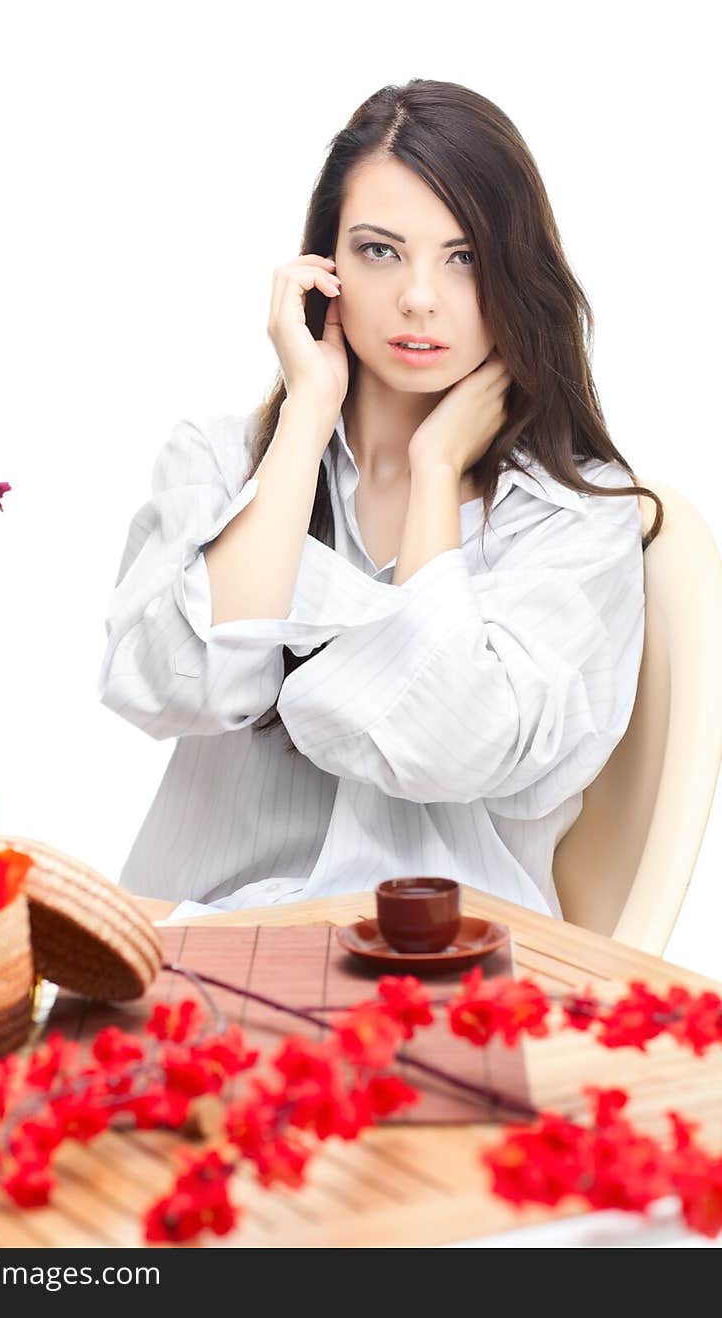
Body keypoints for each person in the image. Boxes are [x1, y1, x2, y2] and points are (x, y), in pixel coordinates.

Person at [98, 78, 662, 922]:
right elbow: (166, 685)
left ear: (515, 272)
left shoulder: (579, 515)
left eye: (463, 256)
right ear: (323, 266)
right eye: (379, 250)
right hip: (205, 946)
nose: (420, 298)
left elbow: (450, 744)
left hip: (451, 971)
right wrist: (307, 414)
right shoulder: (216, 464)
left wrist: (436, 474)